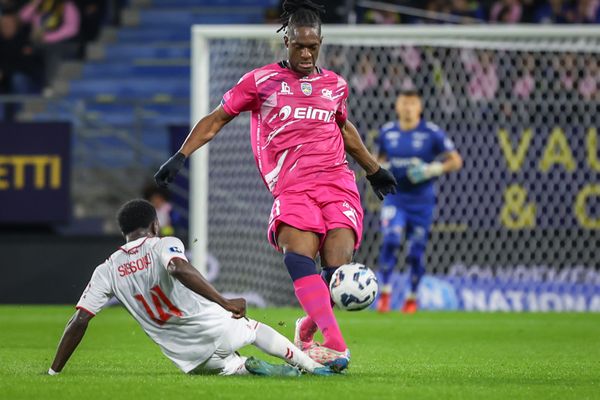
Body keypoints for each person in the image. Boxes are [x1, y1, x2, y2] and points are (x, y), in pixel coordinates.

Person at [154, 0, 396, 371]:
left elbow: (343, 128)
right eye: (299, 45)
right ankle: (335, 344)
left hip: (338, 182)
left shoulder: (335, 85)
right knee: (298, 256)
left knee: (337, 266)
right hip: (293, 186)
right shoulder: (260, 81)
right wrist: (181, 156)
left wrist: (373, 169)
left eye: (312, 46)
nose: (305, 52)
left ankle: (307, 327)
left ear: (320, 42)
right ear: (286, 41)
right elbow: (217, 119)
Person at [47, 199, 334, 377]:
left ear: (124, 232)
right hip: (216, 328)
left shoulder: (106, 269)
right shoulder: (163, 244)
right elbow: (177, 267)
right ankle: (311, 366)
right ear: (155, 224)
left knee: (226, 367)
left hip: (188, 357)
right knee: (254, 329)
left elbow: (80, 320)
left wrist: (54, 370)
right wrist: (225, 302)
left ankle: (243, 366)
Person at [375, 89, 463, 314]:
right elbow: (377, 159)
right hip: (396, 198)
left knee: (415, 251)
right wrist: (381, 170)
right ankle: (384, 293)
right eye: (403, 103)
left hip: (422, 202)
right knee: (391, 239)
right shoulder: (387, 132)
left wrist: (433, 168)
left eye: (412, 103)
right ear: (396, 106)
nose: (407, 107)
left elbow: (455, 161)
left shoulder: (432, 133)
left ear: (420, 107)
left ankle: (412, 298)